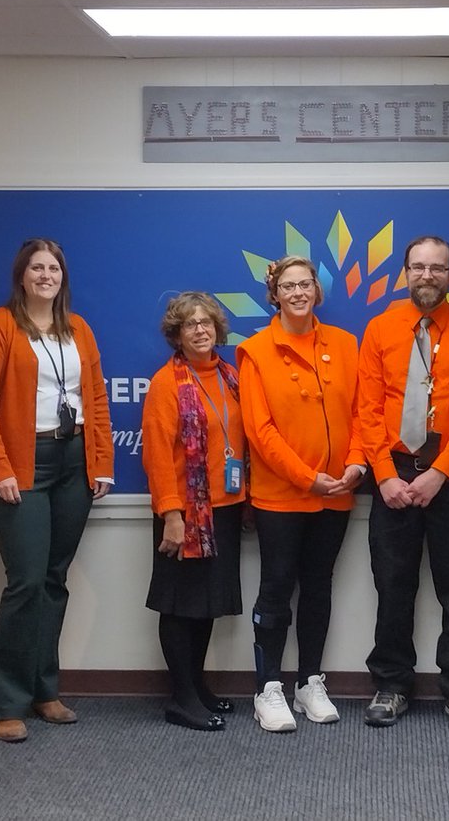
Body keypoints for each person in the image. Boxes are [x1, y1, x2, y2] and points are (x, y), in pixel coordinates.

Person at [0, 239, 114, 743]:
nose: (46, 275)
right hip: (22, 464)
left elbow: (95, 397)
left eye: (54, 268)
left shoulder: (80, 330)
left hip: (74, 460)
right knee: (25, 581)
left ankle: (44, 690)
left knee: (54, 578)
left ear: (62, 277)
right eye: (37, 267)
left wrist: (102, 462)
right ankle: (7, 701)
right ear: (22, 276)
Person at [357, 235, 449, 732]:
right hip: (393, 471)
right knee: (392, 585)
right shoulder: (379, 329)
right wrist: (385, 475)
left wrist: (441, 472)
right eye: (418, 267)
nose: (427, 276)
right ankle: (392, 684)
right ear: (404, 273)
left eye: (438, 268)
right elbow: (368, 409)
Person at [236, 257, 364, 732]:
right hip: (282, 496)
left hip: (338, 492)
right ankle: (268, 688)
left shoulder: (346, 345)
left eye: (305, 284)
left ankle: (310, 681)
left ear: (317, 290)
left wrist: (355, 464)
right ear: (275, 294)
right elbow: (259, 431)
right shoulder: (254, 352)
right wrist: (307, 476)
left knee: (318, 586)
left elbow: (362, 412)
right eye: (287, 286)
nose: (297, 293)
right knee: (276, 586)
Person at [143, 292, 246, 731]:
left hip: (224, 509)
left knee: (205, 606)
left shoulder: (231, 376)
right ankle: (181, 697)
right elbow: (158, 457)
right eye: (190, 324)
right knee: (180, 605)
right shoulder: (167, 383)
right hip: (184, 514)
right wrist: (170, 514)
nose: (200, 330)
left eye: (206, 322)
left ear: (218, 329)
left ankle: (197, 686)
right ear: (176, 335)